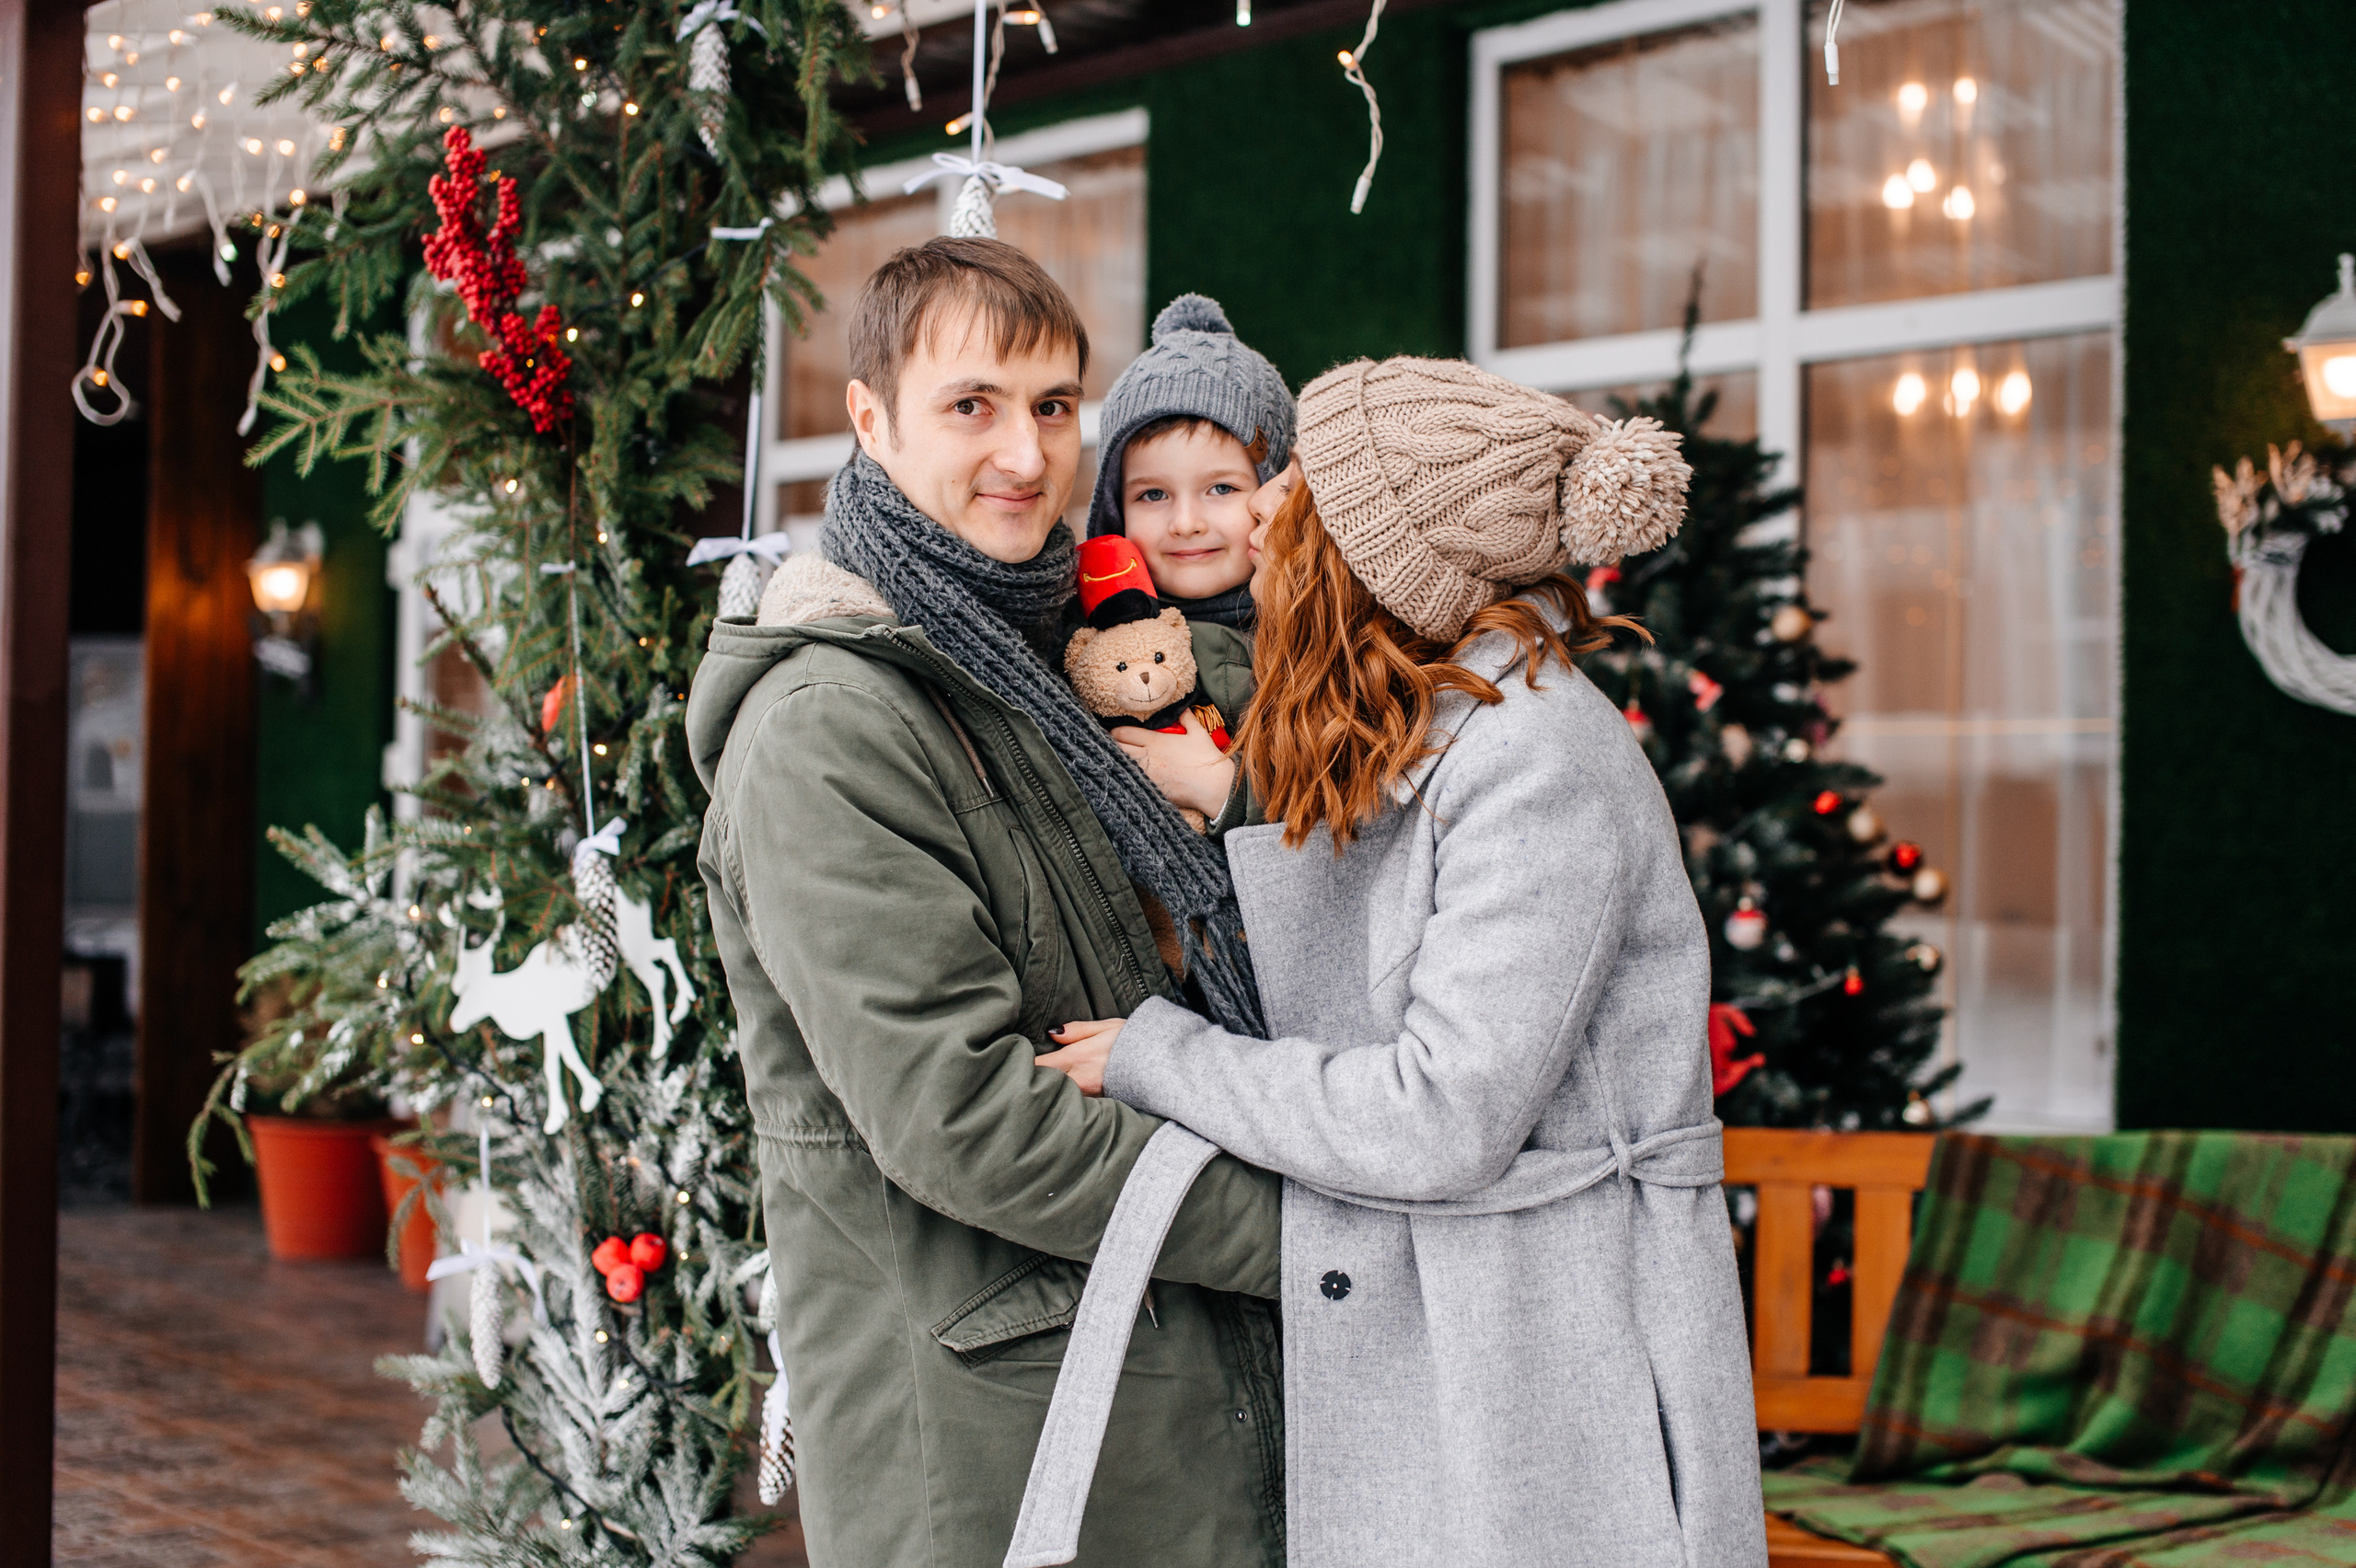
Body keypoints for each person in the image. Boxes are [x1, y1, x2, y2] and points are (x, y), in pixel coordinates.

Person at [1036, 356, 1769, 1568]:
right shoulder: (1440, 729)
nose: (1261, 511)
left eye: (1302, 487)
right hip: (1469, 1327)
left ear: (1384, 553)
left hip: (1550, 1363)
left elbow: (1440, 1115)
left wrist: (1166, 1058)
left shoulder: (1536, 760)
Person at [686, 236, 1286, 1568]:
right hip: (1002, 1445)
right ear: (870, 418)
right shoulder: (830, 727)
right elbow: (966, 1118)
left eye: (1054, 406)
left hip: (1172, 1390)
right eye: (973, 405)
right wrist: (1316, 1234)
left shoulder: (1076, 661)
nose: (1026, 453)